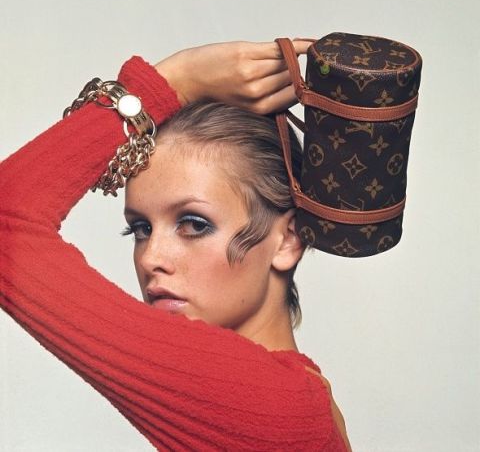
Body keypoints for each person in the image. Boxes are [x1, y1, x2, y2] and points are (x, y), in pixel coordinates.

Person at [0, 40, 352, 451]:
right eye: (141, 229)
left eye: (194, 224)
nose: (151, 258)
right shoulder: (308, 396)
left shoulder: (271, 405)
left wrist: (169, 83)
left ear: (287, 240)